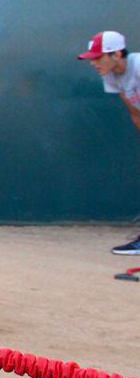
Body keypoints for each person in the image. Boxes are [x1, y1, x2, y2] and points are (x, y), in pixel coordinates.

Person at [76, 30, 140, 255]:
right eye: (91, 58)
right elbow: (135, 112)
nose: (93, 63)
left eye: (98, 57)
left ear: (117, 54)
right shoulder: (111, 76)